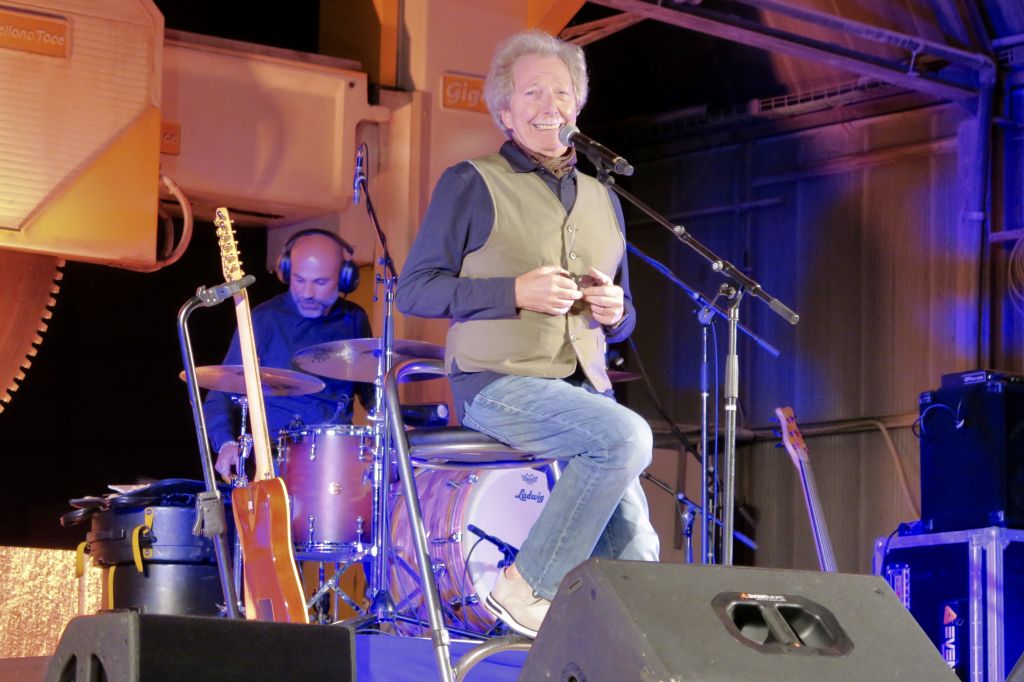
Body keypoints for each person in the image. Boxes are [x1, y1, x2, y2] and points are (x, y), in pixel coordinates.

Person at [396, 29, 659, 638]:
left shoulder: (603, 198)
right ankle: (526, 585)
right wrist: (513, 292)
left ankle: (618, 655)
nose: (549, 105)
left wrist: (616, 311)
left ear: (578, 107)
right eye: (532, 92)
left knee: (638, 552)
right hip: (497, 383)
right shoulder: (471, 182)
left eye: (561, 92)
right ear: (505, 111)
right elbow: (415, 290)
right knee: (624, 436)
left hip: (582, 387)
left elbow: (624, 320)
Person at [205, 229, 373, 482]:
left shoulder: (354, 319)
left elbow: (372, 393)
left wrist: (397, 421)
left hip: (336, 460)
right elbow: (221, 392)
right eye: (299, 280)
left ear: (344, 278)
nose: (307, 293)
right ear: (286, 272)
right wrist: (226, 443)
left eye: (320, 282)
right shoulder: (264, 320)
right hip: (274, 460)